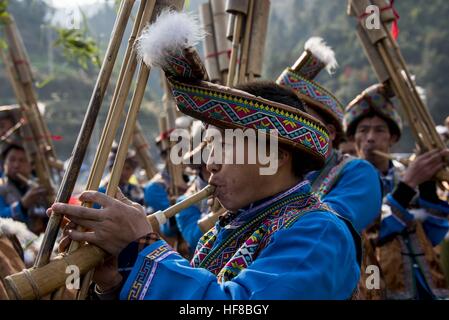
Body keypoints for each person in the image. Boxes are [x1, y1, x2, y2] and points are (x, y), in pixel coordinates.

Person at [49, 11, 361, 300]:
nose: (210, 162)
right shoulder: (228, 228)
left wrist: (141, 246)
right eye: (211, 145)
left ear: (276, 154)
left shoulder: (319, 232)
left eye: (226, 144)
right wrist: (117, 280)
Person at [345, 83, 449, 299]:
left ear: (393, 138)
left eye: (379, 130)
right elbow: (366, 237)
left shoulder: (406, 173)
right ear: (354, 139)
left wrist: (428, 186)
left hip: (425, 287)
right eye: (363, 130)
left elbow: (434, 236)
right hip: (375, 287)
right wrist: (407, 188)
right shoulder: (346, 182)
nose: (370, 138)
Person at [276, 37, 382, 232]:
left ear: (330, 132)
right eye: (284, 123)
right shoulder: (275, 172)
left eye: (301, 121)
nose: (289, 131)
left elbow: (326, 229)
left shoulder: (358, 172)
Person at [0, 143, 48, 235]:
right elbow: (1, 217)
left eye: (22, 160)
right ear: (4, 164)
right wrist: (22, 205)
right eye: (12, 160)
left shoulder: (39, 185)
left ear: (31, 166)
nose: (16, 165)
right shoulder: (1, 187)